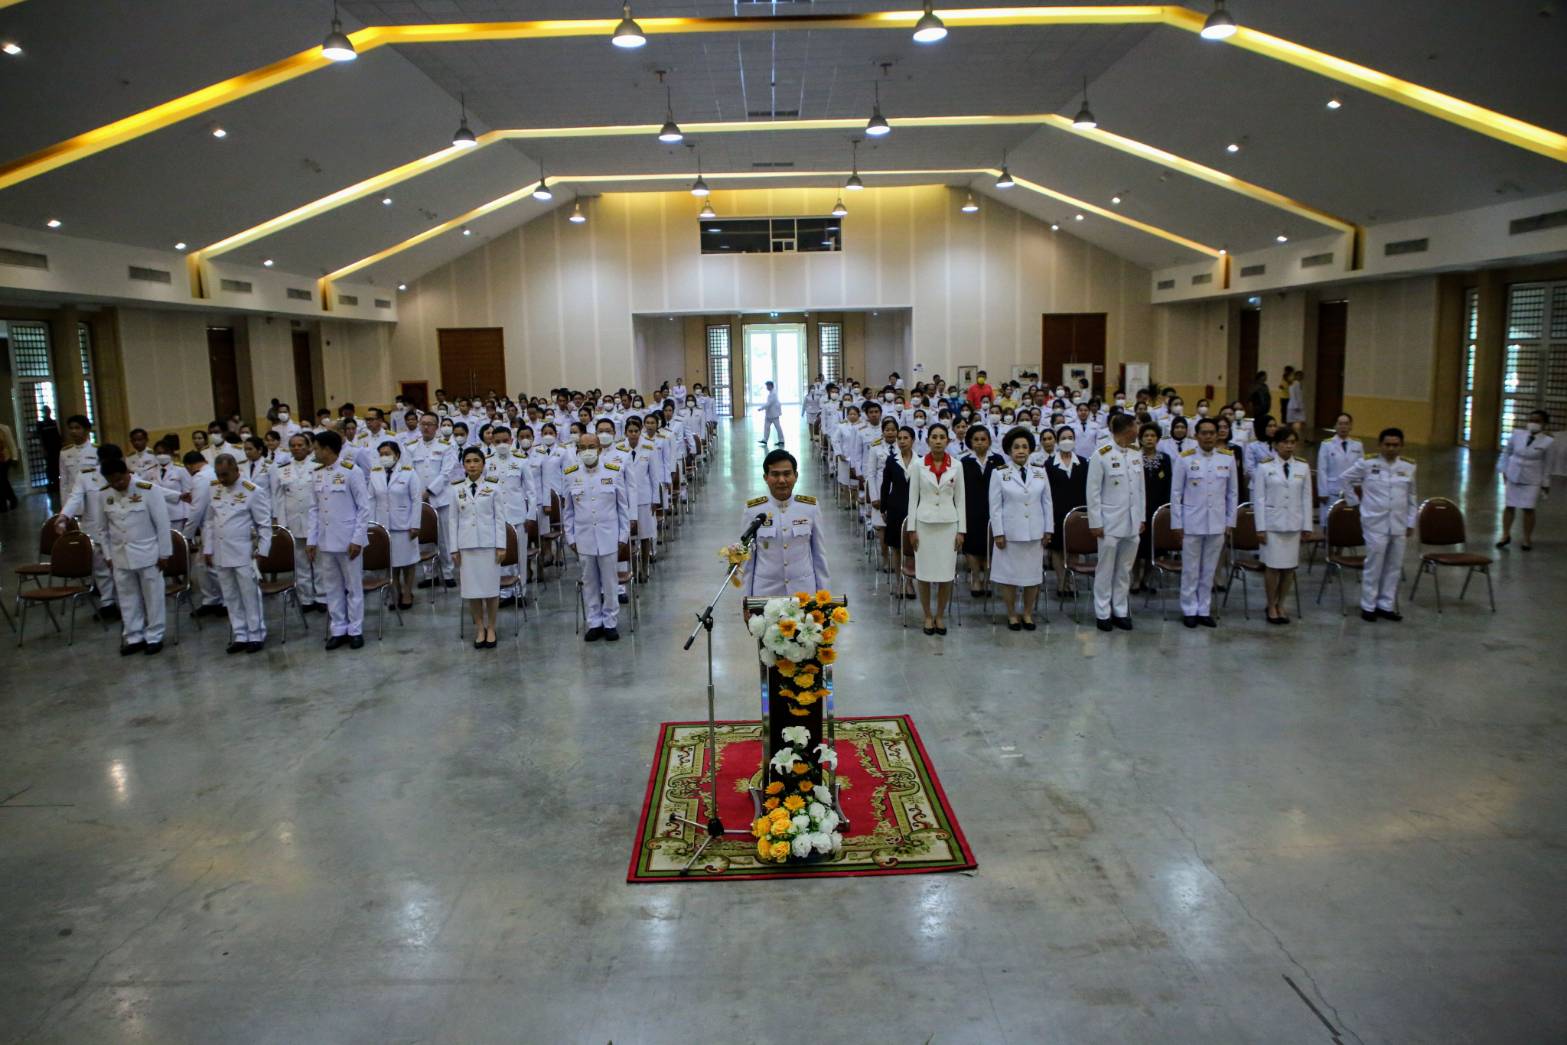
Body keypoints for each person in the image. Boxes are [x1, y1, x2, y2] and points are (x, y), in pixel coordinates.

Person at [1339, 428, 1416, 622]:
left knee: (1394, 566)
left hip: (1398, 523)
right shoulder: (1367, 463)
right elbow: (1345, 478)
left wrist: (1411, 521)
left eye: (1395, 445)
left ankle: (1386, 605)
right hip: (1375, 522)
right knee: (1374, 564)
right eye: (1387, 444)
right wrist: (1354, 503)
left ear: (1401, 446)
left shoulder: (1409, 467)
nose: (1391, 448)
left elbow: (1412, 496)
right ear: (1380, 445)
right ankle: (1368, 605)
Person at [199, 452, 272, 653]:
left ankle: (256, 633)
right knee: (230, 595)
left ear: (235, 470)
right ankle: (240, 634)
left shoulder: (252, 491)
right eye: (218, 474)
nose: (221, 479)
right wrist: (208, 548)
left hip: (243, 552)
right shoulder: (214, 489)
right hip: (221, 552)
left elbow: (264, 525)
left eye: (225, 474)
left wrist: (262, 552)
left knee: (249, 594)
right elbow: (209, 522)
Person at [99, 458, 173, 655]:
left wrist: (164, 553)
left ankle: (155, 636)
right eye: (112, 481)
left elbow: (163, 525)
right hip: (120, 556)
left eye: (120, 480)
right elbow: (102, 530)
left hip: (149, 554)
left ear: (126, 473)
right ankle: (133, 636)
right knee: (127, 597)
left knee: (153, 597)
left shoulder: (148, 490)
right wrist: (107, 555)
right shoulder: (104, 493)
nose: (117, 485)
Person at [1171, 418, 1237, 628]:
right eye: (1204, 433)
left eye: (1212, 433)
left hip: (1217, 523)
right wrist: (1177, 523)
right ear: (1196, 435)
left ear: (1218, 435)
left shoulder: (1227, 459)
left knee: (1209, 569)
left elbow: (1232, 493)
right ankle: (1189, 608)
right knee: (1190, 569)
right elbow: (1176, 493)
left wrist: (1230, 521)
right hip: (1192, 522)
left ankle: (1204, 608)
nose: (1208, 436)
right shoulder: (1184, 458)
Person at [307, 430, 371, 650]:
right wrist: (311, 540)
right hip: (326, 541)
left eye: (316, 448)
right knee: (332, 587)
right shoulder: (316, 474)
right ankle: (338, 628)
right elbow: (314, 509)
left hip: (348, 539)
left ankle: (355, 629)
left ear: (327, 449)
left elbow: (364, 508)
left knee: (353, 587)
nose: (313, 452)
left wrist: (358, 539)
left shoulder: (352, 471)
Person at [564, 433, 631, 640]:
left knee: (610, 583)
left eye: (591, 446)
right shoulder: (570, 474)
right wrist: (571, 538)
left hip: (609, 536)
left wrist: (623, 536)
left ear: (600, 449)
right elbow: (568, 510)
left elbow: (622, 507)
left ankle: (610, 621)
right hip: (583, 538)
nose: (587, 451)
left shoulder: (614, 471)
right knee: (589, 582)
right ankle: (594, 622)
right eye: (582, 447)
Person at [989, 427, 1053, 630]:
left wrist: (1048, 529)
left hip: (1034, 533)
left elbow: (1047, 503)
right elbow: (995, 505)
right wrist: (998, 532)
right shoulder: (999, 474)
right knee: (1008, 578)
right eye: (1016, 447)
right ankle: (1011, 614)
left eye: (1025, 447)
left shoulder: (1040, 472)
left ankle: (1027, 613)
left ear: (1031, 450)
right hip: (1009, 534)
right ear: (1009, 450)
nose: (1021, 451)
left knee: (1032, 577)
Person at [742, 449, 830, 596]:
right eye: (775, 474)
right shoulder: (753, 510)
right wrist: (746, 601)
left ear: (795, 476)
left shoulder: (810, 507)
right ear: (766, 477)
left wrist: (824, 598)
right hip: (765, 594)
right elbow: (747, 561)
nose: (781, 480)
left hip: (803, 594)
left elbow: (819, 555)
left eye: (787, 474)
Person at [1087, 414, 1145, 631]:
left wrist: (1141, 517)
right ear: (1127, 428)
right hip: (1109, 522)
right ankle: (1102, 611)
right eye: (1136, 425)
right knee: (1105, 568)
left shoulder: (1135, 454)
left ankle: (1120, 609)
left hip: (1132, 522)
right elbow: (1092, 492)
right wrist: (1095, 522)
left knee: (1124, 569)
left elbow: (1140, 489)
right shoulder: (1101, 455)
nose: (1138, 429)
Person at [905, 422, 964, 635]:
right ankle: (927, 615)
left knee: (946, 574)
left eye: (942, 437)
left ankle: (940, 615)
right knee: (924, 574)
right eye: (934, 437)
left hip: (949, 525)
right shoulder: (918, 465)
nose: (938, 441)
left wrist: (961, 530)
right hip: (924, 525)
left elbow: (961, 500)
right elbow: (912, 499)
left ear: (947, 441)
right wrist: (912, 529)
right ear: (928, 440)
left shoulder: (957, 465)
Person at [1252, 428, 1312, 625]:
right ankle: (1270, 604)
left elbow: (1306, 497)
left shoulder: (1302, 467)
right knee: (1272, 567)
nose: (1289, 446)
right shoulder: (1264, 467)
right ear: (1276, 444)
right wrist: (1260, 527)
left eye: (1293, 442)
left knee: (1289, 568)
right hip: (1272, 524)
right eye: (1285, 442)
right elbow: (1259, 499)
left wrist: (1307, 525)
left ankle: (1281, 603)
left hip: (1293, 524)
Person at [451, 446, 506, 649]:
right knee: (472, 591)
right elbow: (452, 521)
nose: (472, 465)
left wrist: (501, 545)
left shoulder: (494, 487)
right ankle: (479, 627)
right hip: (467, 546)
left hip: (489, 545)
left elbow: (500, 519)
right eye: (468, 461)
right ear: (463, 465)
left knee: (491, 590)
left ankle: (491, 627)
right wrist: (453, 549)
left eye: (476, 461)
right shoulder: (456, 488)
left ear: (483, 464)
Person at [406, 413, 459, 588]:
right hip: (418, 500)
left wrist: (429, 491)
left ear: (437, 427)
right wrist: (417, 495)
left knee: (445, 538)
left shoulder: (446, 446)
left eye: (430, 424)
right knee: (424, 538)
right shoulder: (411, 447)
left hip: (441, 498)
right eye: (423, 424)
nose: (426, 427)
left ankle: (448, 571)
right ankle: (430, 574)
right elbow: (408, 473)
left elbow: (447, 472)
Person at [369, 439, 420, 611]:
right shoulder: (375, 473)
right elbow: (371, 500)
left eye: (387, 454)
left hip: (405, 525)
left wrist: (415, 524)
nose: (384, 457)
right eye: (381, 454)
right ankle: (394, 591)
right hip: (383, 526)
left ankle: (407, 592)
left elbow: (416, 500)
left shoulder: (409, 473)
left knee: (408, 561)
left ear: (397, 455)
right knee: (391, 563)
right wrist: (372, 525)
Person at [1497, 409, 1553, 550]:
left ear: (1544, 424)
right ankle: (1505, 535)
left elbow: (1548, 464)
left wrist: (1545, 483)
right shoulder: (1517, 435)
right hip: (1514, 473)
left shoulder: (1548, 441)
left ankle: (1527, 538)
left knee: (1528, 508)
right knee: (1509, 506)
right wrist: (1503, 469)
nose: (1533, 423)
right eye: (1531, 420)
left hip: (1533, 477)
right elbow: (1506, 452)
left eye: (1537, 421)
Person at [960, 425, 1005, 597]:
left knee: (989, 544)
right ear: (970, 442)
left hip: (992, 508)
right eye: (976, 440)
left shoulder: (998, 460)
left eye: (983, 439)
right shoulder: (963, 462)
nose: (979, 443)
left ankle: (987, 577)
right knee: (971, 545)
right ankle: (975, 578)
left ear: (989, 441)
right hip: (970, 508)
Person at [1046, 424, 1088, 597]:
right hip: (1057, 511)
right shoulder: (1049, 464)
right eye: (1063, 438)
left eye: (1070, 438)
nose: (1067, 441)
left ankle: (1071, 582)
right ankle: (1061, 582)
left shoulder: (1083, 462)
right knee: (1057, 549)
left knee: (1074, 548)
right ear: (1057, 441)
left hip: (1078, 511)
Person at [1131, 423, 1172, 596]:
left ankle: (1145, 579)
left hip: (1157, 510)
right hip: (1138, 509)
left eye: (1152, 436)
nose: (1149, 439)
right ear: (1140, 439)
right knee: (1136, 548)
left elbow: (1169, 485)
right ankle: (1134, 579)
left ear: (1157, 439)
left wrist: (1165, 509)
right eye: (1146, 436)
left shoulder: (1165, 459)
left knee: (1152, 549)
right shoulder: (1134, 458)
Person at [879, 426, 916, 584]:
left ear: (912, 440)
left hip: (915, 506)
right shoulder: (891, 460)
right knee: (896, 546)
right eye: (899, 438)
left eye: (905, 438)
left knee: (912, 546)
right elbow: (885, 485)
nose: (902, 441)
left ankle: (909, 582)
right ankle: (899, 582)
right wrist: (883, 508)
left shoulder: (920, 460)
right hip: (895, 506)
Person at [1316, 413, 1363, 529]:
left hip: (1351, 491)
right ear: (1335, 426)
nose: (1343, 427)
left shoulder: (1358, 445)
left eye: (1346, 424)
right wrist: (1323, 492)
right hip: (1332, 490)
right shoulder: (1326, 444)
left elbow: (1361, 469)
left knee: (1348, 524)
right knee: (1329, 524)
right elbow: (1322, 469)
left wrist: (1359, 489)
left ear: (1351, 426)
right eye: (1340, 424)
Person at [58, 414, 98, 511]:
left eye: (77, 428)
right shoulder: (65, 452)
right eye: (71, 428)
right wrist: (65, 506)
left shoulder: (97, 450)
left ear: (87, 430)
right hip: (74, 499)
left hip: (93, 498)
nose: (73, 431)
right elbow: (64, 481)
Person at [35, 406, 61, 502]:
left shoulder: (53, 422)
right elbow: (40, 437)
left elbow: (57, 436)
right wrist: (43, 449)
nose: (47, 413)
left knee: (56, 466)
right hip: (48, 449)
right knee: (50, 466)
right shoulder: (41, 424)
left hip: (56, 449)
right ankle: (51, 483)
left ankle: (56, 483)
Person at [758, 380, 784, 447]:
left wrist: (761, 408)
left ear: (771, 386)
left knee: (778, 427)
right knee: (766, 427)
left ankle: (781, 440)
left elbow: (769, 403)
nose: (766, 387)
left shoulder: (773, 394)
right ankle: (765, 439)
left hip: (774, 414)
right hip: (769, 414)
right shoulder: (771, 393)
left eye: (767, 386)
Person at [0, 417, 18, 511]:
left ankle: (11, 499)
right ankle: (4, 503)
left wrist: (15, 458)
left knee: (2, 480)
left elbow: (11, 444)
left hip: (4, 459)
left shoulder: (4, 428)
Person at [1285, 369, 1308, 439]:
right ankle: (1289, 436)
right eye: (1300, 375)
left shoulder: (1296, 383)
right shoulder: (1296, 383)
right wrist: (1296, 405)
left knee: (1299, 422)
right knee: (1291, 423)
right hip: (1295, 406)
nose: (1302, 377)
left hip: (1295, 406)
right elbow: (1293, 395)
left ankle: (1302, 437)